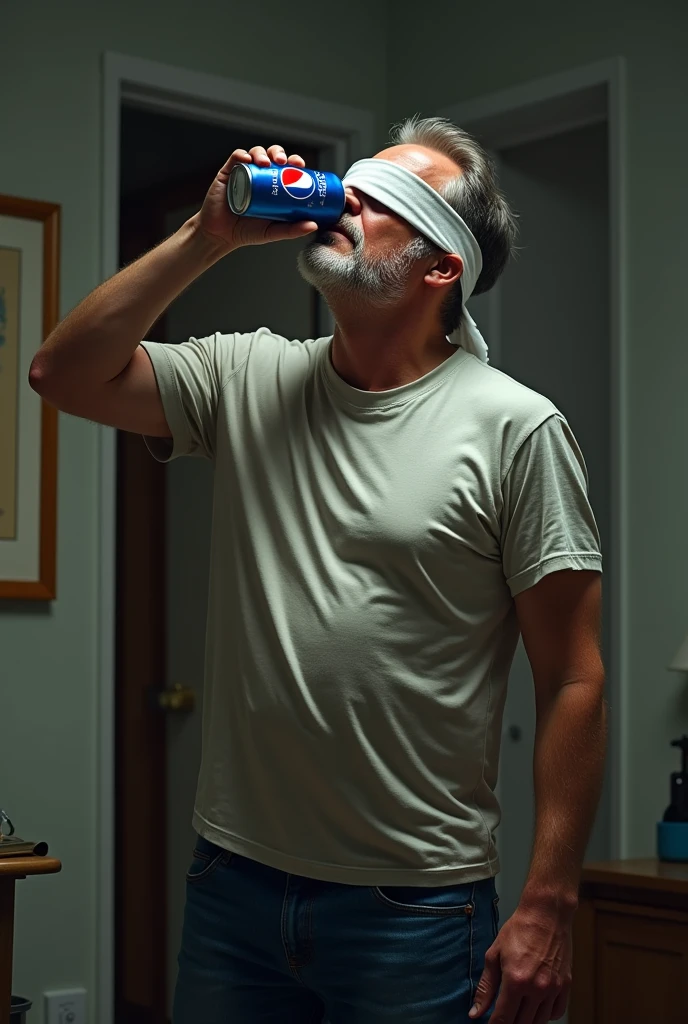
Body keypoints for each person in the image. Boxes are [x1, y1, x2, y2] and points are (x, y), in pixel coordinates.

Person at [30, 116, 606, 1024]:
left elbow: (574, 676)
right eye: (355, 179)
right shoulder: (247, 377)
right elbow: (61, 374)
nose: (347, 198)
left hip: (415, 905)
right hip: (234, 884)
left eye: (385, 200)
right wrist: (204, 235)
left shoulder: (516, 428)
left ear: (441, 266)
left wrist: (549, 902)